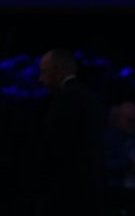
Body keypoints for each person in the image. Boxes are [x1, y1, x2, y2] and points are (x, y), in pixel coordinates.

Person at [35, 49, 104, 216]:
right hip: (92, 188)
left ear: (59, 70)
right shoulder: (91, 97)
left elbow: (52, 146)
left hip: (66, 191)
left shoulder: (64, 99)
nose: (40, 79)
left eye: (44, 72)